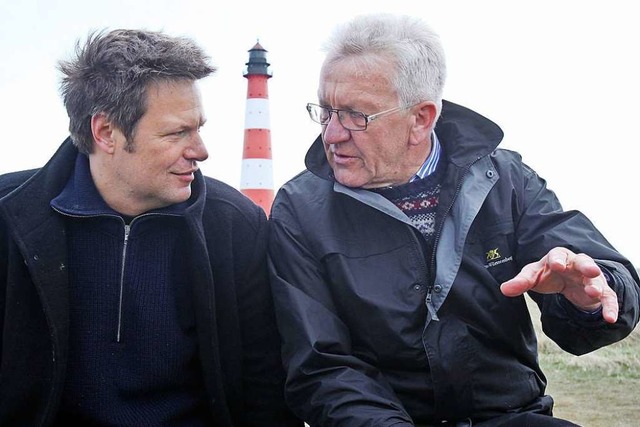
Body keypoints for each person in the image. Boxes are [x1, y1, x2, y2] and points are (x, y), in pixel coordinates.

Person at [267, 13, 640, 427]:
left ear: (422, 118)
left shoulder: (504, 180)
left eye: (357, 116)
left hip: (510, 417)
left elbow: (601, 283)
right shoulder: (299, 210)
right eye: (325, 111)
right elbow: (322, 368)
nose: (332, 135)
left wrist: (589, 299)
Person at [0, 29, 302, 427]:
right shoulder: (10, 214)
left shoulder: (235, 225)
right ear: (105, 132)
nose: (201, 150)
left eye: (198, 128)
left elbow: (262, 383)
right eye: (178, 133)